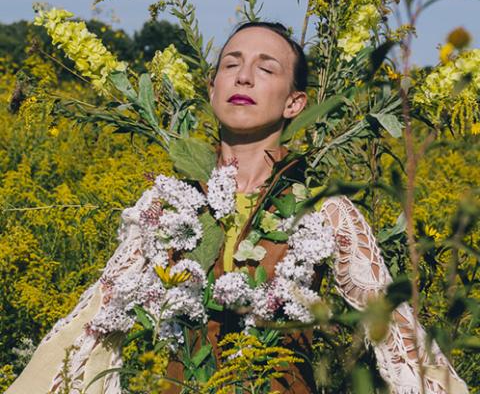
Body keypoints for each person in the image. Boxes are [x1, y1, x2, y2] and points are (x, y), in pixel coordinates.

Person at [6, 22, 468, 394]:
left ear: (294, 102)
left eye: (266, 69)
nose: (243, 77)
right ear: (212, 89)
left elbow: (400, 342)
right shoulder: (166, 205)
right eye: (231, 64)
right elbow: (92, 330)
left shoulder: (325, 212)